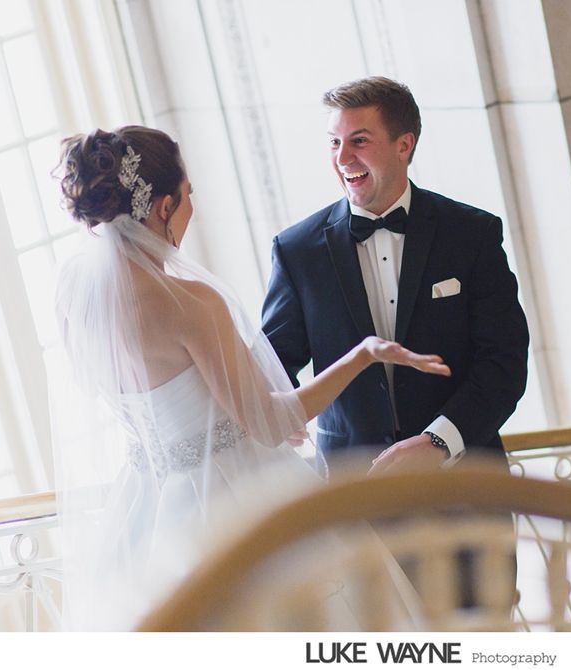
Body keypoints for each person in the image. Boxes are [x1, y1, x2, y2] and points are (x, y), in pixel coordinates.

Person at [51, 125, 447, 630]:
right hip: (237, 502)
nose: (192, 208)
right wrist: (363, 355)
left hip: (147, 511)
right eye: (188, 196)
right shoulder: (190, 304)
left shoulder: (72, 297)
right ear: (163, 207)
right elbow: (269, 421)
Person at [261, 76, 529, 476]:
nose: (343, 158)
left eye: (359, 141)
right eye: (334, 142)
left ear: (404, 145)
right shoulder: (297, 251)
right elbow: (270, 367)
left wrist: (439, 441)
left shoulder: (471, 234)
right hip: (353, 494)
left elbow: (504, 362)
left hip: (468, 486)